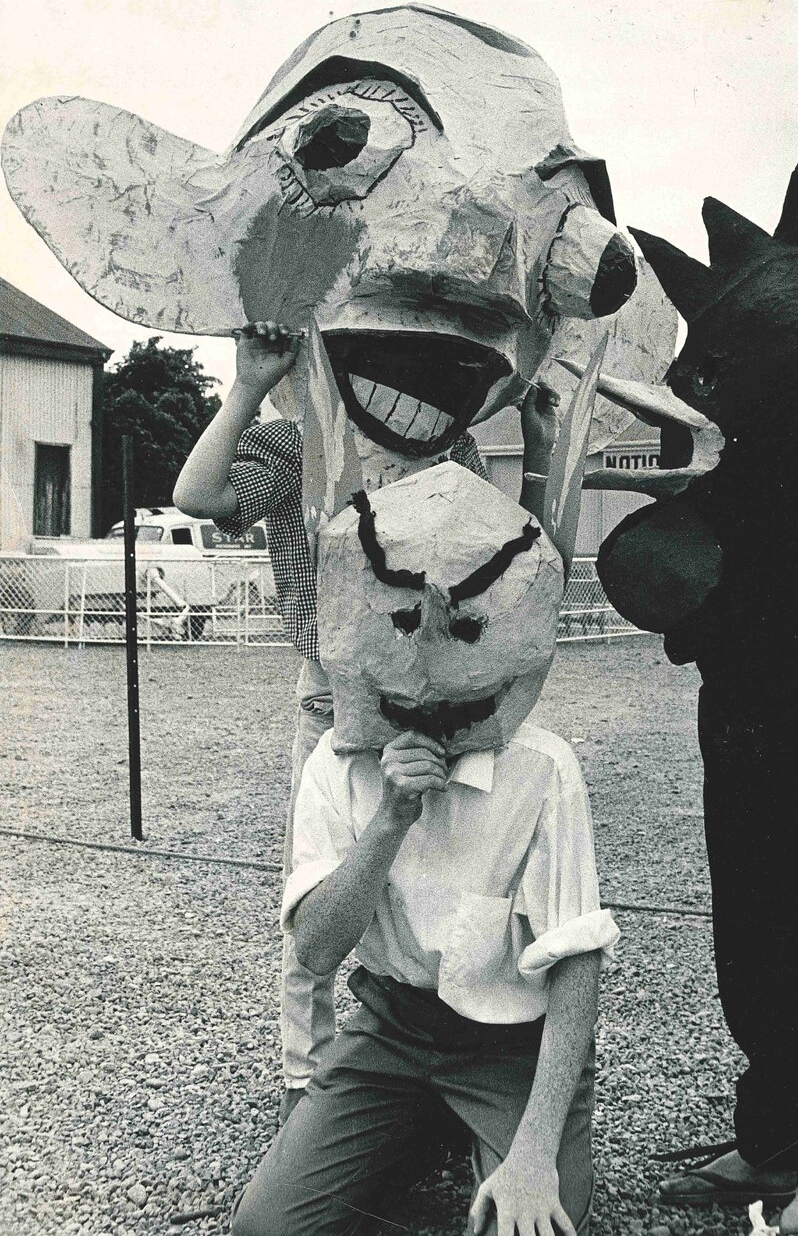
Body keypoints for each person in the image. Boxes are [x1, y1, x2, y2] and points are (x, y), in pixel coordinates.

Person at [173, 322, 561, 1120]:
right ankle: (304, 1082)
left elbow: (515, 557)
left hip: (445, 693)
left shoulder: (454, 453)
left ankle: (440, 1062)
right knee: (319, 886)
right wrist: (247, 384)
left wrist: (541, 446)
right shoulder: (297, 443)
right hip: (336, 696)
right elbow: (200, 496)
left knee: (449, 875)